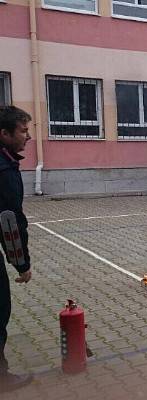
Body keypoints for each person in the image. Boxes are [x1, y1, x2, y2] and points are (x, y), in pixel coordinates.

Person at [0, 106, 34, 392]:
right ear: (4, 134)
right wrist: (22, 264)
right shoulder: (4, 170)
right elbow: (10, 222)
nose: (28, 136)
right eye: (22, 131)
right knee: (0, 309)